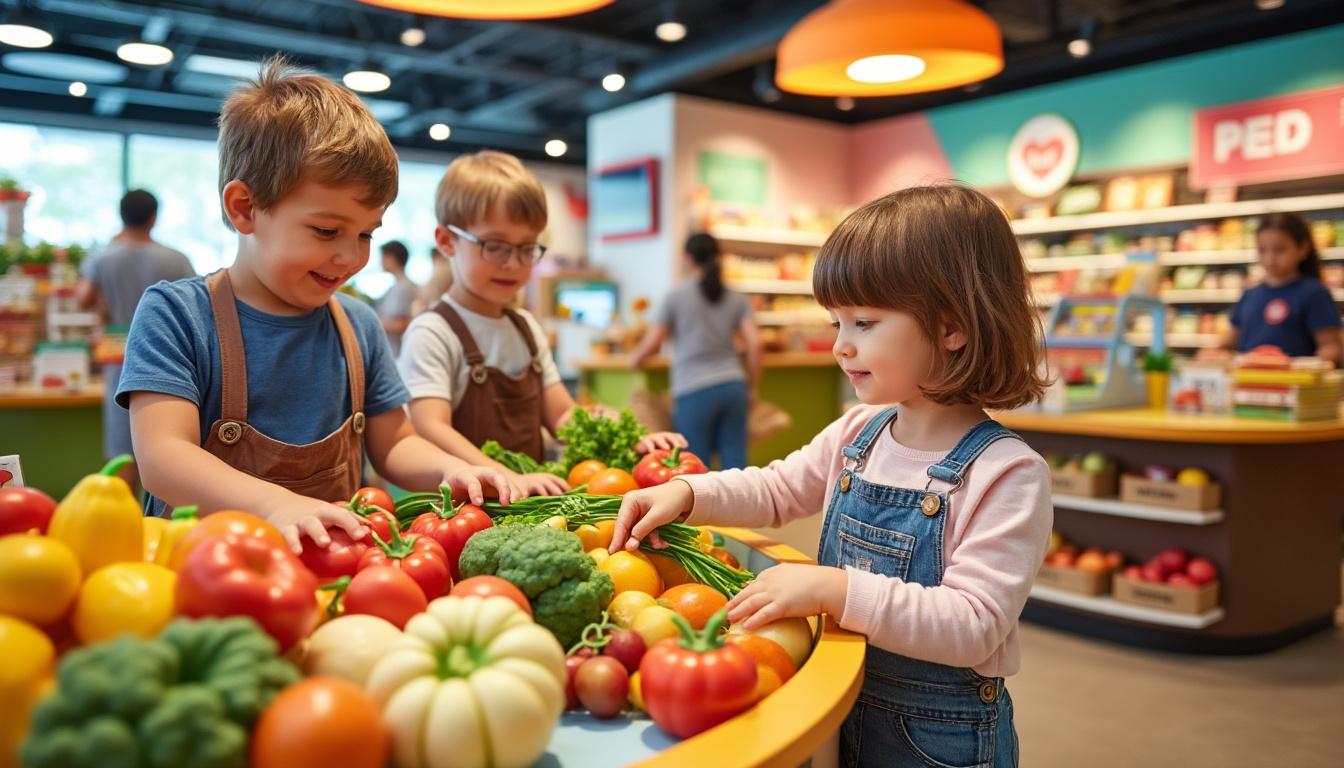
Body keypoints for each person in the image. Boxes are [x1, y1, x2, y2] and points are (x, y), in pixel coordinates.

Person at [611, 185, 1053, 768]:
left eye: (864, 322)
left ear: (952, 329)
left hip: (941, 741)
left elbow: (973, 624)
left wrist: (832, 590)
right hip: (840, 701)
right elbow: (776, 488)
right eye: (837, 322)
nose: (842, 346)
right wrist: (687, 492)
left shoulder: (1007, 473)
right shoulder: (858, 431)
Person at [117, 58, 517, 552]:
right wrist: (274, 505)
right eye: (326, 231)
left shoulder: (358, 326)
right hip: (202, 573)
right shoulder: (177, 315)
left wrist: (452, 468)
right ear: (244, 208)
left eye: (366, 233)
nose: (350, 257)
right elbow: (163, 458)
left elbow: (394, 444)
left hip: (332, 575)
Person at [398, 150, 684, 496]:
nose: (513, 264)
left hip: (528, 503)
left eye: (526, 248)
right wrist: (502, 476)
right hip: (461, 512)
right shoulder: (433, 331)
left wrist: (631, 434)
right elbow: (430, 427)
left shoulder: (526, 327)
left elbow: (564, 416)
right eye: (495, 246)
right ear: (446, 241)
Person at [76, 189, 195, 489]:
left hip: (120, 358)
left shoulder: (103, 258)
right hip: (171, 358)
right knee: (170, 447)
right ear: (154, 218)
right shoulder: (176, 259)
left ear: (121, 217)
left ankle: (124, 521)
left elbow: (83, 299)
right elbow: (197, 306)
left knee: (122, 451)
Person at [629, 233, 762, 469]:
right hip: (733, 385)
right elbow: (755, 343)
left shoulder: (675, 297)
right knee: (735, 462)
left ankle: (701, 509)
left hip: (693, 389)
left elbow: (653, 344)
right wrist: (752, 386)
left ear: (688, 259)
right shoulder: (737, 298)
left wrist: (633, 360)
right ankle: (743, 508)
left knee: (695, 465)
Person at [1208, 213, 1341, 364]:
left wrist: (1300, 366)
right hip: (1249, 382)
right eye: (1263, 250)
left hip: (1293, 384)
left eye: (1280, 250)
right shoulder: (1250, 294)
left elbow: (1331, 347)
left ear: (1303, 249)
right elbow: (1229, 340)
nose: (1270, 259)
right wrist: (1213, 353)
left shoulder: (1313, 293)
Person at [375, 239, 418, 356]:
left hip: (399, 353)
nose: (381, 262)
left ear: (393, 258)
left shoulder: (403, 287)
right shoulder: (399, 285)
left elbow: (401, 324)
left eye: (384, 257)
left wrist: (370, 322)